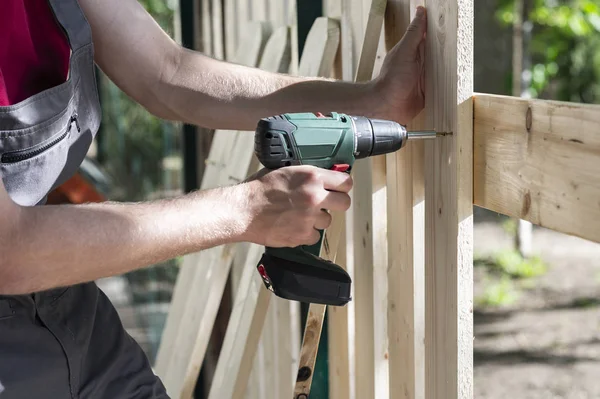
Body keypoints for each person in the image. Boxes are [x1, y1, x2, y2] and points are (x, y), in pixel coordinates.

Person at [0, 0, 427, 397]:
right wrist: (247, 209)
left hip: (71, 310)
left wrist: (374, 102)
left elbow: (166, 72)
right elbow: (10, 251)